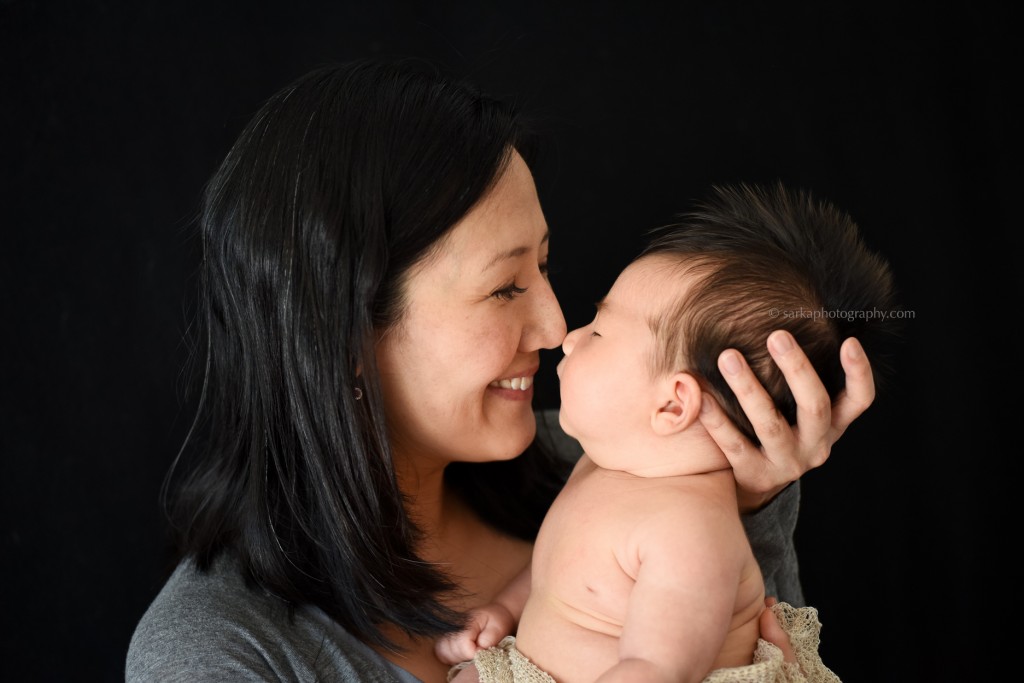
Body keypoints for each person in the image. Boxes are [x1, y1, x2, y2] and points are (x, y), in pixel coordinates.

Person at [124, 59, 878, 683]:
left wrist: (741, 498)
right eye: (506, 286)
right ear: (348, 336)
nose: (556, 328)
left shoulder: (640, 464)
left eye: (545, 266)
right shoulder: (217, 651)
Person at [436, 182, 899, 683]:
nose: (566, 338)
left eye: (597, 331)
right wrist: (504, 612)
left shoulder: (692, 532)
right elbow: (565, 570)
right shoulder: (606, 465)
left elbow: (659, 669)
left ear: (673, 404)